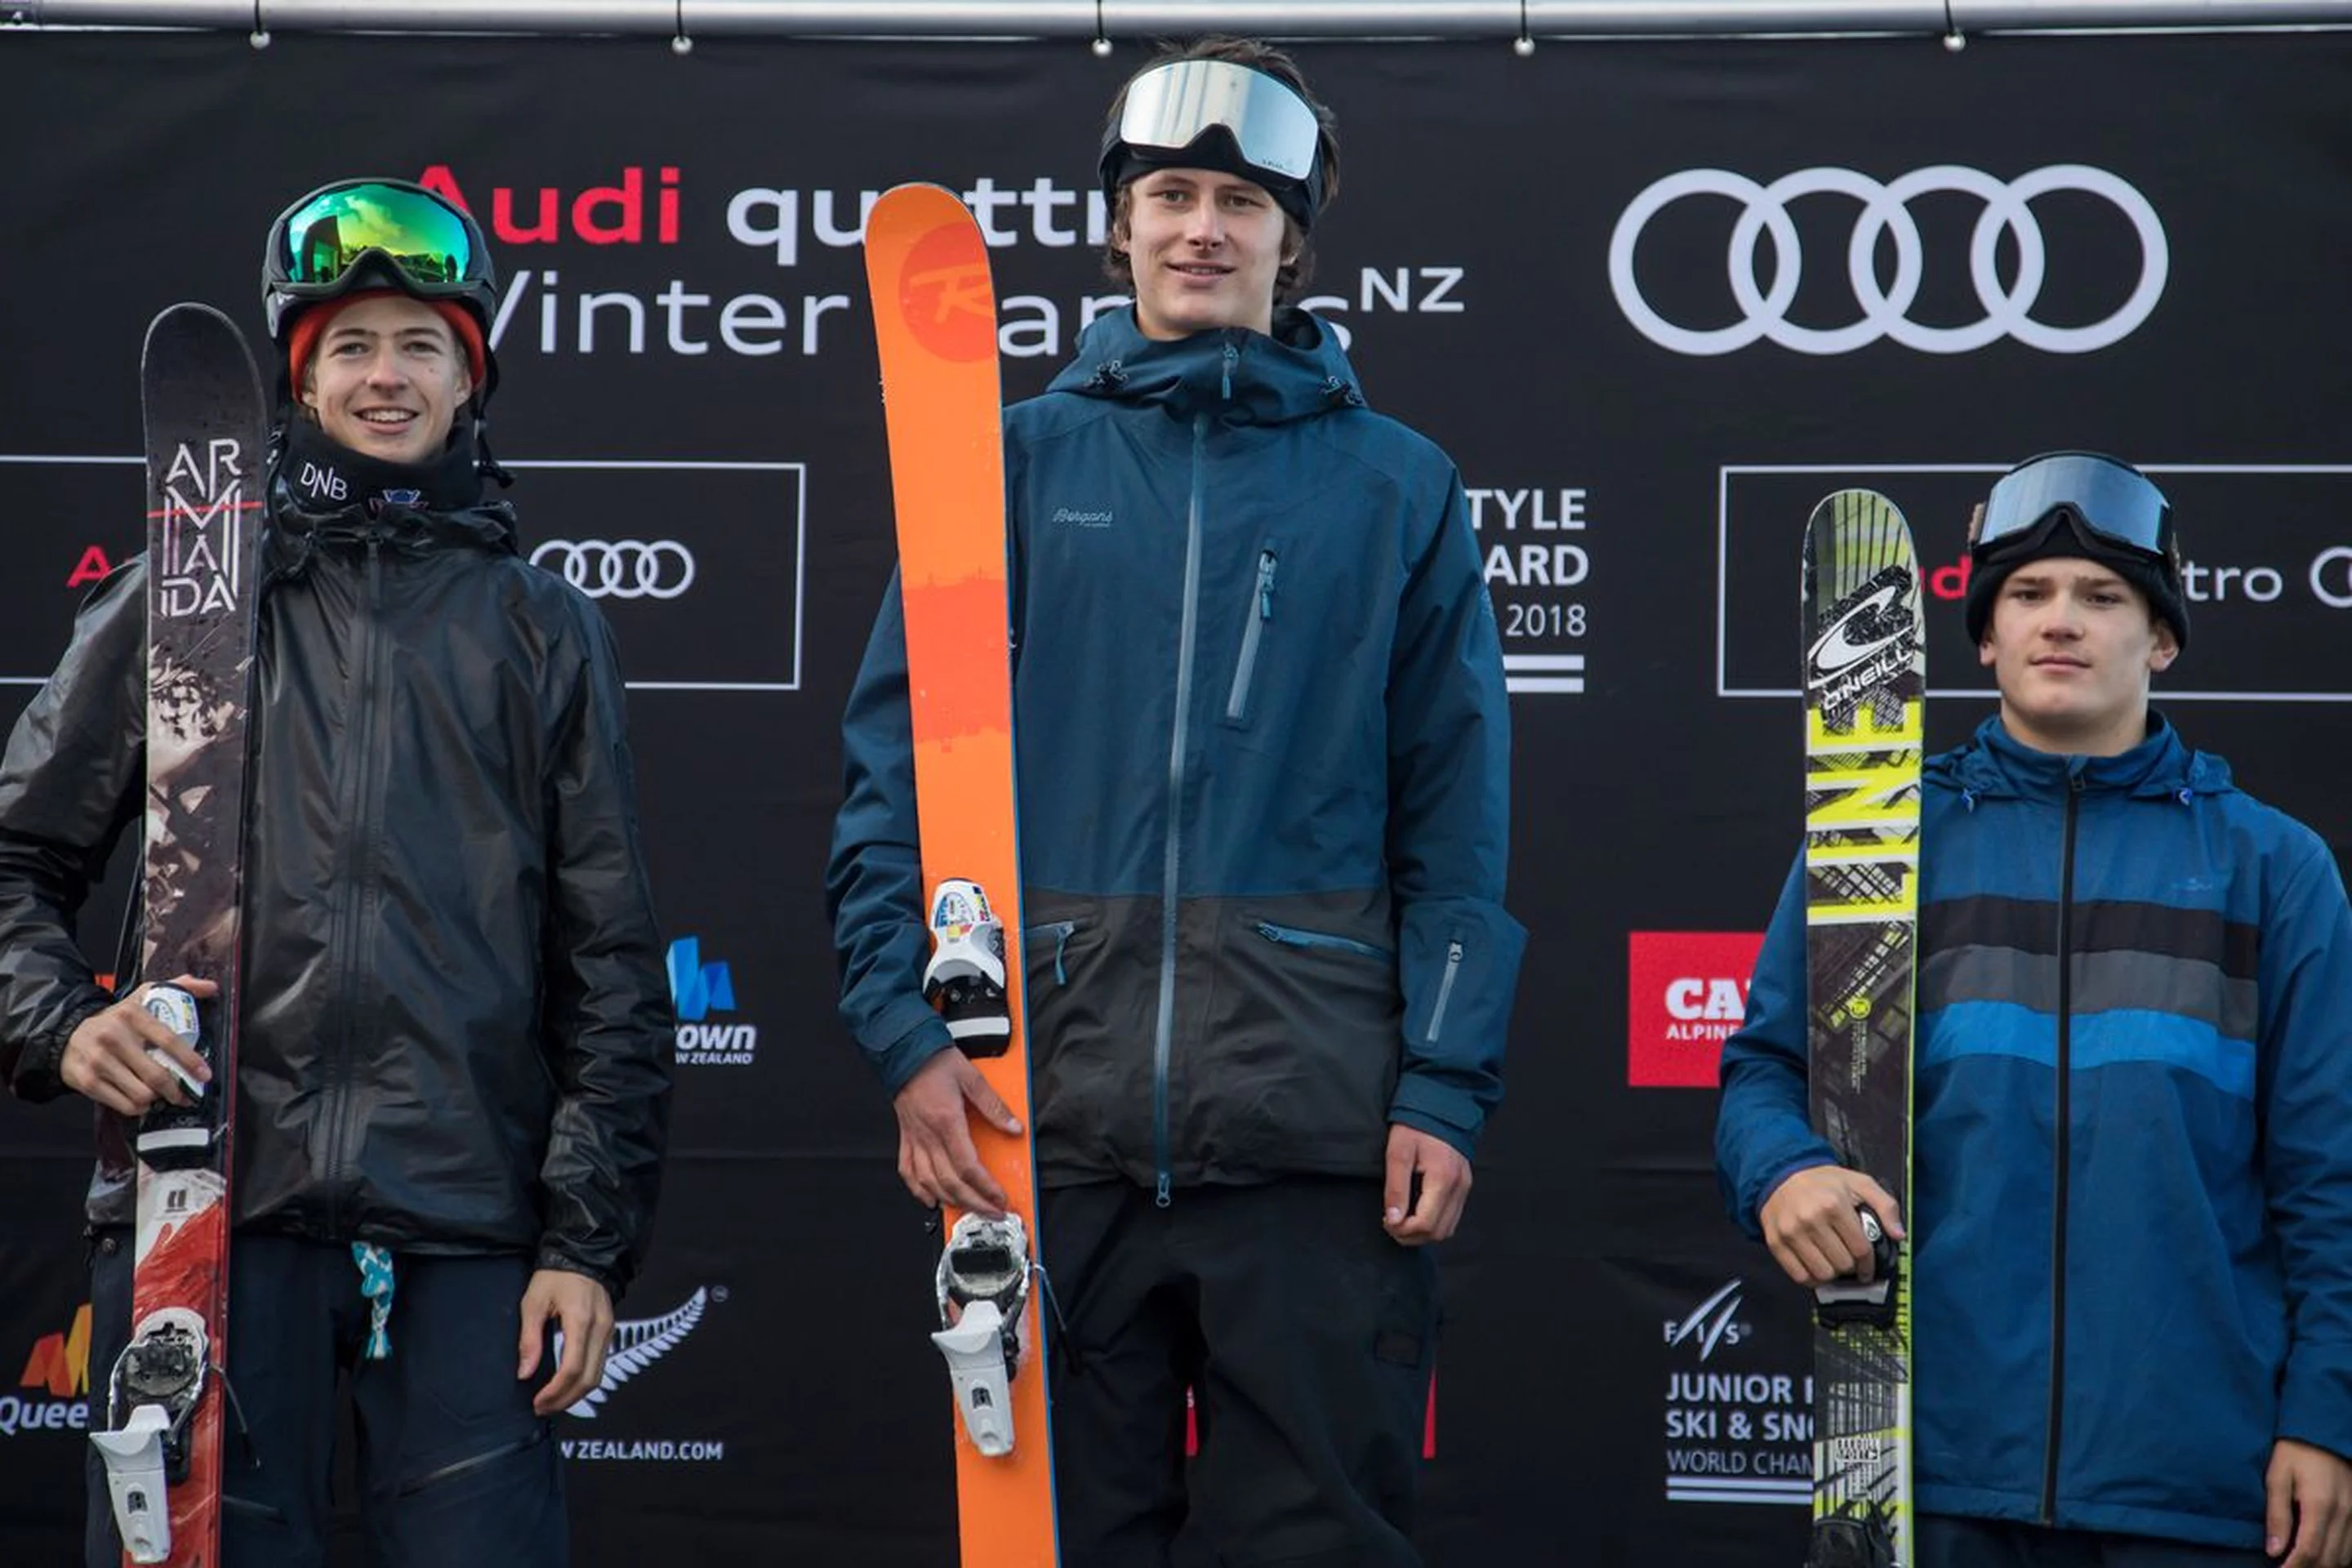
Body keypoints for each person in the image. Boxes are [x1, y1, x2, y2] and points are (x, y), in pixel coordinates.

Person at [827, 36, 1523, 1567]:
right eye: (1171, 195)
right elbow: (896, 792)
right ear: (1120, 225)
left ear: (1294, 239)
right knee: (1064, 1542)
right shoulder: (1004, 462)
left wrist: (1442, 1087)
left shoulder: (1398, 486)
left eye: (1241, 202)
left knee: (1318, 1542)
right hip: (1044, 1127)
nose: (1203, 227)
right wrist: (903, 1037)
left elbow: (1456, 817)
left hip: (1316, 1139)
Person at [0, 176, 674, 1567]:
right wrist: (63, 1023)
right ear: (301, 376)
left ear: (467, 374)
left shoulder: (543, 628)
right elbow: (15, 860)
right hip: (212, 1219)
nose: (386, 376)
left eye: (421, 344)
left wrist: (586, 1246)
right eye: (352, 345)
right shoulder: (188, 595)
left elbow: (608, 963)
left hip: (471, 1238)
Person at [1715, 452, 2352, 1568]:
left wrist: (2327, 1417)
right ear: (1984, 637)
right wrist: (1785, 1169)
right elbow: (1767, 1070)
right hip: (1931, 1470)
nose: (2063, 621)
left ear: (2160, 640)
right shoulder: (1885, 842)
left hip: (2192, 1482)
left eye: (2103, 596)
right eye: (2029, 594)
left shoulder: (2270, 868)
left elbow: (2330, 1176)